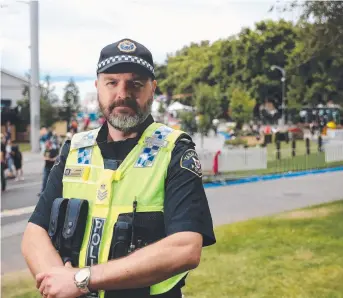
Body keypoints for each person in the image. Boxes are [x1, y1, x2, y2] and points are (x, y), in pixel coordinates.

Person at [22, 38, 216, 298]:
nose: (123, 93)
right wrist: (58, 282)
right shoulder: (76, 149)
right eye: (112, 82)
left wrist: (81, 280)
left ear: (153, 89)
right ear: (97, 86)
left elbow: (185, 248)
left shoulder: (175, 151)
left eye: (135, 83)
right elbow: (34, 233)